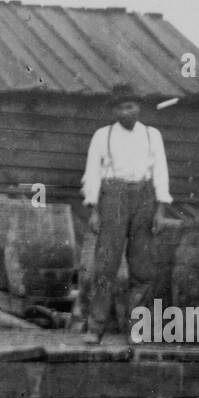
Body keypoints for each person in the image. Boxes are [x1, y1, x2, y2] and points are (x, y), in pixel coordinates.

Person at [79, 85, 172, 339]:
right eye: (120, 108)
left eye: (129, 106)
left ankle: (136, 328)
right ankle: (96, 327)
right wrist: (94, 210)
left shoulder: (153, 135)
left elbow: (161, 172)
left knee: (142, 268)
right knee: (106, 265)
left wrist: (160, 210)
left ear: (138, 107)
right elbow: (92, 173)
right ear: (115, 111)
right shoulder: (103, 136)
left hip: (145, 198)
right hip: (113, 198)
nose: (125, 112)